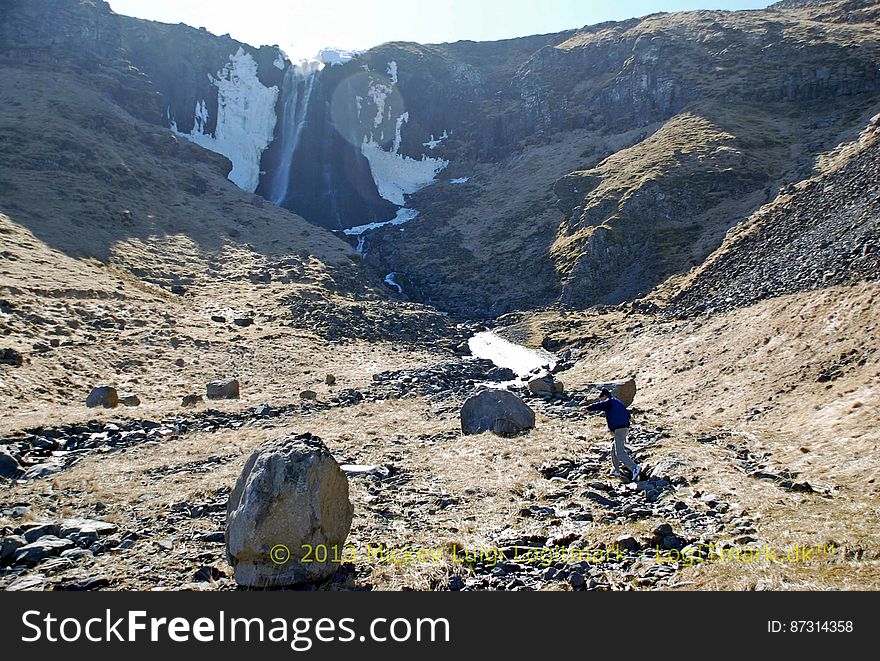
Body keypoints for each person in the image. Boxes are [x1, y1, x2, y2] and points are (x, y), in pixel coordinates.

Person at [582, 389, 641, 481]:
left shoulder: (609, 402)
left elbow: (600, 405)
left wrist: (588, 408)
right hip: (624, 428)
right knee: (613, 449)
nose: (601, 400)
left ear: (604, 396)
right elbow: (627, 415)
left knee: (620, 452)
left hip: (619, 429)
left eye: (601, 398)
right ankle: (616, 470)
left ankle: (634, 467)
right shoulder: (619, 403)